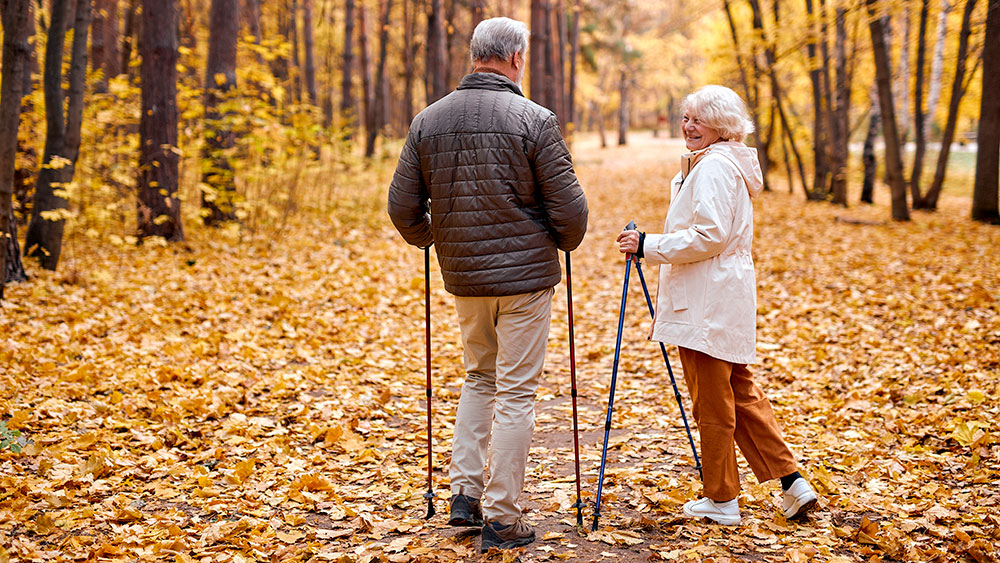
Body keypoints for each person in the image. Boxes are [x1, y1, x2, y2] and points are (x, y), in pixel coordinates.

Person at [388, 16, 588, 552]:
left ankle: (463, 495)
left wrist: (438, 238)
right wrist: (560, 240)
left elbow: (402, 208)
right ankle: (501, 518)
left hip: (466, 278)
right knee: (517, 391)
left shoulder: (428, 121)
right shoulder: (535, 120)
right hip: (525, 281)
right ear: (516, 57)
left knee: (479, 378)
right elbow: (571, 213)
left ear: (475, 55)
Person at [615, 85, 817, 526]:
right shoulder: (717, 165)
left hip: (708, 298)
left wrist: (649, 244)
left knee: (712, 401)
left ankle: (722, 498)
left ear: (720, 126)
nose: (687, 126)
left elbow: (709, 235)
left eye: (697, 120)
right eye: (685, 117)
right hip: (720, 293)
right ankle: (791, 482)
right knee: (740, 393)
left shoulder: (713, 169)